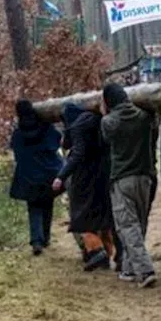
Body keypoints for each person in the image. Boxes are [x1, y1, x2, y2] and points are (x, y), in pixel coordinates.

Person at [100, 83, 158, 287]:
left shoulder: (109, 121)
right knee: (138, 224)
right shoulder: (144, 117)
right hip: (145, 177)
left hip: (122, 179)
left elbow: (107, 138)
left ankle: (145, 269)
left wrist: (103, 112)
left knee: (126, 226)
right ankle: (129, 268)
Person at [53, 103, 116, 271]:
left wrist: (61, 176)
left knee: (81, 219)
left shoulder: (78, 127)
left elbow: (76, 153)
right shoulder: (98, 123)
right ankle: (109, 254)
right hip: (104, 176)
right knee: (104, 218)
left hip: (84, 179)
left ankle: (96, 251)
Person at [8, 99, 63, 256]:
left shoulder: (18, 134)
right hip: (49, 173)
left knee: (34, 208)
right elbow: (57, 142)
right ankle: (45, 237)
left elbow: (17, 154)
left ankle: (37, 241)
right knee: (48, 204)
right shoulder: (46, 128)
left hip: (29, 177)